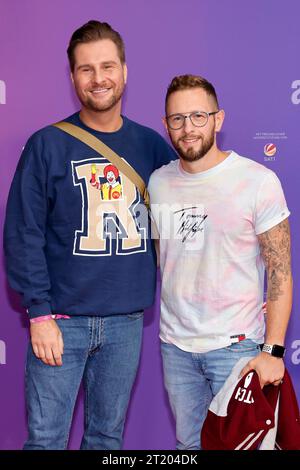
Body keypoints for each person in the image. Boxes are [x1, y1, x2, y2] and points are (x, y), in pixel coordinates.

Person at [3, 20, 175, 450]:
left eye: (107, 66)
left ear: (124, 71)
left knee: (105, 440)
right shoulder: (47, 144)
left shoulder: (152, 146)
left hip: (126, 323)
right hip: (61, 322)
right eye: (86, 69)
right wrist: (38, 315)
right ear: (73, 76)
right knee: (45, 440)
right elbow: (22, 232)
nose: (98, 79)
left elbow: (187, 218)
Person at [148, 74, 293, 450]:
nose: (188, 128)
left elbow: (280, 271)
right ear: (165, 125)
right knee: (189, 447)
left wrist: (273, 351)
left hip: (237, 348)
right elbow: (164, 257)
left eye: (198, 116)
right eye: (177, 119)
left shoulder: (257, 181)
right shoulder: (158, 183)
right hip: (176, 347)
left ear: (218, 119)